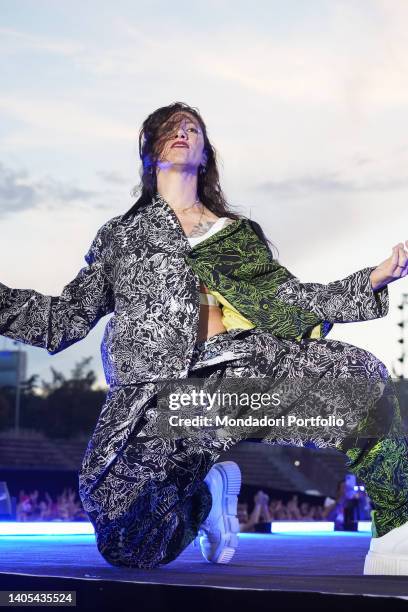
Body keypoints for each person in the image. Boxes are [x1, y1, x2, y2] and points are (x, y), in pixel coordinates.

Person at [0, 101, 407, 574]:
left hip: (235, 375)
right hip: (155, 400)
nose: (182, 132)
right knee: (126, 540)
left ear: (204, 153)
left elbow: (288, 299)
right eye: (170, 128)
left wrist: (371, 280)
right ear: (150, 152)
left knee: (357, 378)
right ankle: (205, 493)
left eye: (192, 128)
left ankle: (398, 530)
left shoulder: (234, 234)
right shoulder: (120, 238)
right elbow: (62, 320)